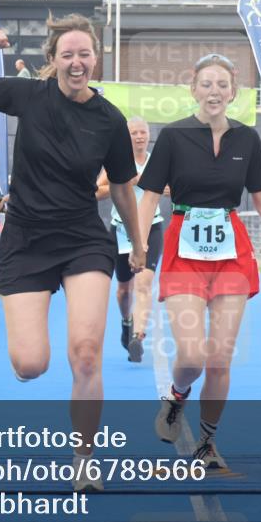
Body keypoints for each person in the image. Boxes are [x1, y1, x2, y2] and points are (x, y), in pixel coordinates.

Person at [0, 14, 145, 492]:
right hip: (27, 239)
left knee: (87, 353)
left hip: (82, 239)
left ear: (97, 59)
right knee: (30, 365)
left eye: (84, 54)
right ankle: (34, 369)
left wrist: (137, 243)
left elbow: (122, 189)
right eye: (67, 55)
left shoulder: (110, 119)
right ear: (52, 62)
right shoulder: (27, 95)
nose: (77, 62)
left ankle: (85, 459)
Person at [138, 54, 261, 469]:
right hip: (184, 246)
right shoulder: (174, 136)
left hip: (231, 251)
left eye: (222, 85)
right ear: (193, 90)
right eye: (206, 84)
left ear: (233, 93)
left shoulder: (247, 139)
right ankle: (177, 397)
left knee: (220, 358)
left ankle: (207, 443)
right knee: (193, 356)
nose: (214, 91)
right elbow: (148, 197)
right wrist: (140, 245)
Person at [96, 117, 166, 362]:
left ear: (149, 135)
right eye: (134, 133)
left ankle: (138, 336)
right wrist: (128, 182)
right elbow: (97, 191)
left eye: (143, 132)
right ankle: (127, 322)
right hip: (120, 230)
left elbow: (177, 187)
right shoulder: (117, 161)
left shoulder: (157, 161)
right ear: (127, 137)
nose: (139, 136)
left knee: (144, 284)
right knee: (124, 290)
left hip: (151, 227)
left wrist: (167, 188)